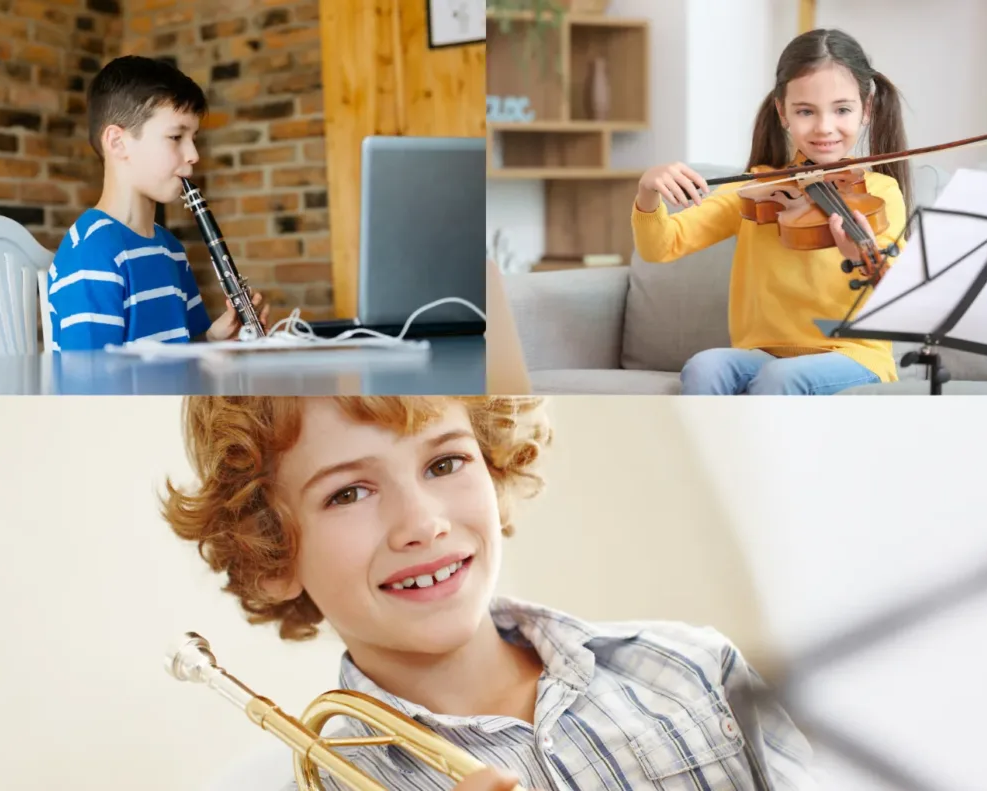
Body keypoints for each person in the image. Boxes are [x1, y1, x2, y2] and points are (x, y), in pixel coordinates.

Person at [161, 396, 817, 790]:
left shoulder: (693, 669)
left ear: (494, 466)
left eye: (444, 462)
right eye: (348, 493)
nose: (422, 522)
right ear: (274, 551)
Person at [633, 29, 910, 395]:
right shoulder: (758, 189)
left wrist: (859, 256)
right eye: (805, 111)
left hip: (853, 356)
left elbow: (901, 298)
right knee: (705, 366)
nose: (824, 127)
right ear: (782, 112)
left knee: (781, 377)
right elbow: (661, 247)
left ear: (866, 110)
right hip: (762, 354)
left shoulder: (879, 192)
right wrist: (647, 192)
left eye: (842, 109)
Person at [47, 55, 269, 351]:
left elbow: (182, 350)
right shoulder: (92, 252)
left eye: (193, 138)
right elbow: (90, 384)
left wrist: (214, 339)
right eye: (176, 137)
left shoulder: (171, 249)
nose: (193, 154)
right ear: (117, 143)